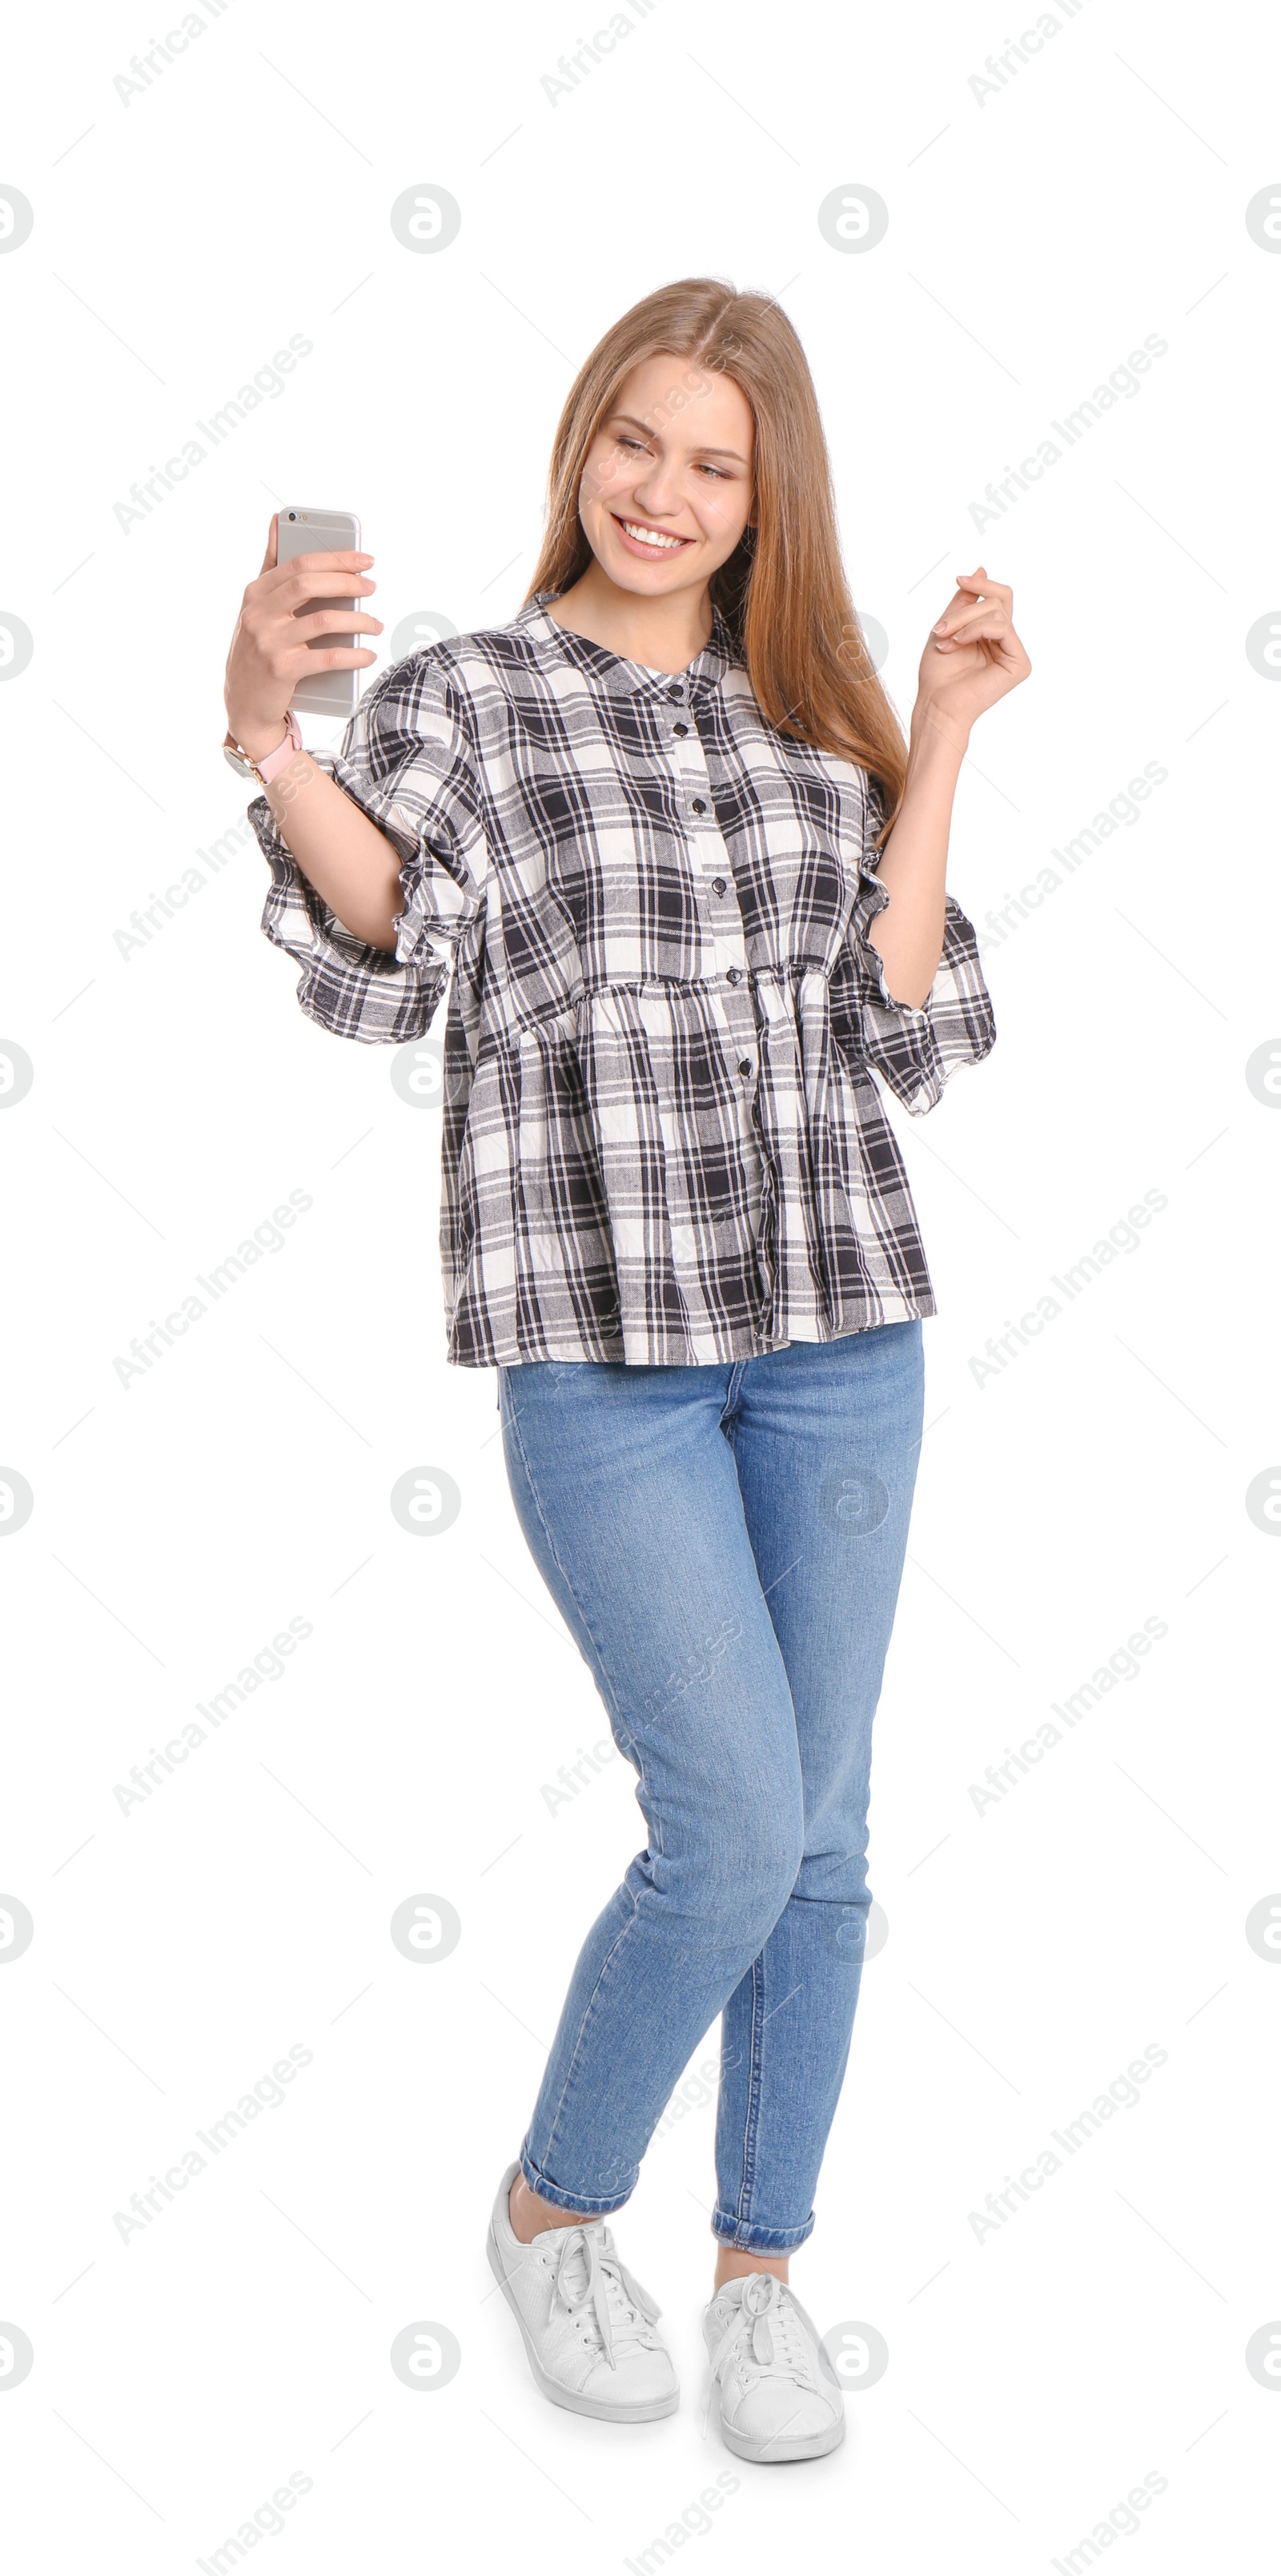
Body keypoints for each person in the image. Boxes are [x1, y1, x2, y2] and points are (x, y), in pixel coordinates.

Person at [223, 276, 1029, 2465]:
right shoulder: (472, 697)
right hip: (608, 1359)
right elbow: (396, 958)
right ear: (582, 440)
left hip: (847, 1334)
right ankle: (553, 2205)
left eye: (717, 464)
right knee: (735, 1819)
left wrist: (940, 739)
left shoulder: (818, 716)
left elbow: (912, 1031)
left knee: (828, 1837)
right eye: (636, 442)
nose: (665, 494)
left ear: (774, 498)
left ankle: (761, 2268)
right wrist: (278, 746)